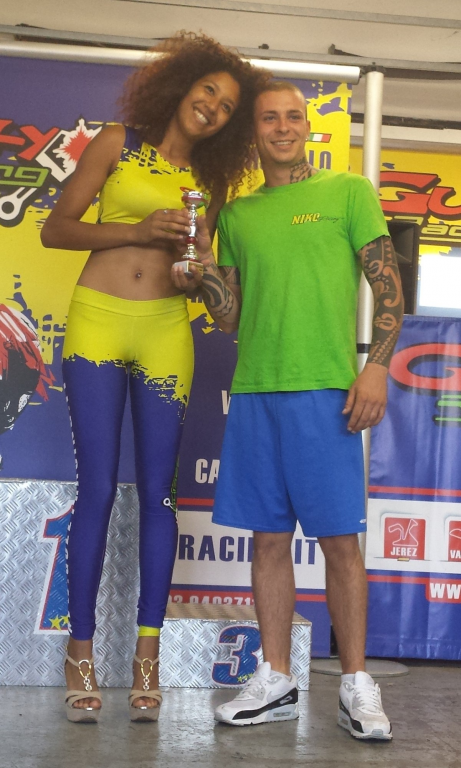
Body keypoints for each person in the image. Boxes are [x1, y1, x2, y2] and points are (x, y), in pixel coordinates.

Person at [41, 32, 269, 723]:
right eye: (208, 91)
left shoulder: (212, 187)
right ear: (182, 86)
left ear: (230, 124)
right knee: (96, 490)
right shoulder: (119, 143)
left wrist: (198, 269)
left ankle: (148, 657)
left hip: (168, 331)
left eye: (226, 106)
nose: (212, 107)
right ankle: (80, 652)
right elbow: (57, 229)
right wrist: (139, 229)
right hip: (97, 321)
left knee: (159, 498)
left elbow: (206, 285)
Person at [172, 81, 403, 740]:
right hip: (254, 393)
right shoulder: (239, 215)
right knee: (268, 541)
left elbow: (387, 281)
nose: (281, 127)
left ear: (307, 127)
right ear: (254, 132)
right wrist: (202, 267)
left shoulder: (347, 192)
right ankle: (275, 678)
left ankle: (355, 684)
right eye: (269, 118)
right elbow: (229, 315)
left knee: (340, 544)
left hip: (325, 391)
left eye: (292, 117)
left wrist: (377, 366)